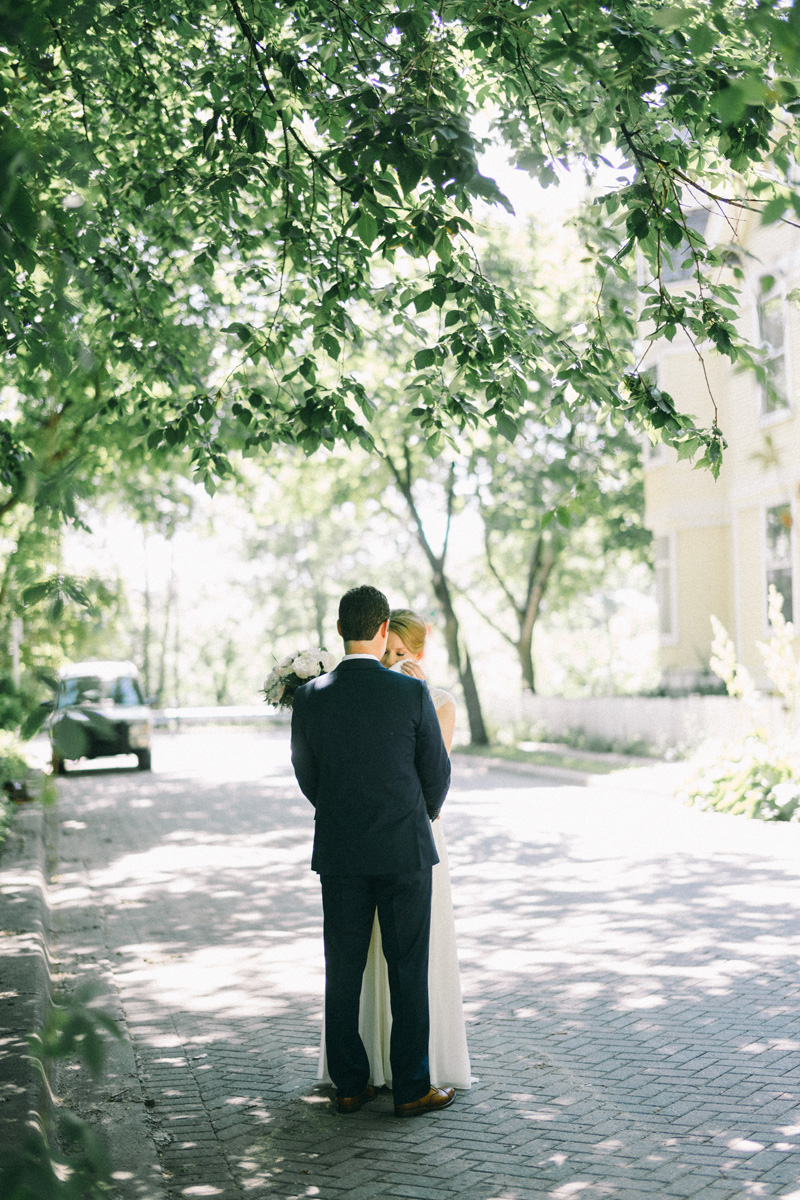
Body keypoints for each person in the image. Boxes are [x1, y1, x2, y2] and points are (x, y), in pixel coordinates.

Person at [291, 586, 456, 1117]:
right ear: (384, 629)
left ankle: (349, 1085)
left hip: (340, 852)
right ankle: (411, 1089)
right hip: (405, 850)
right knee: (408, 969)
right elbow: (437, 775)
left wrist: (342, 813)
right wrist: (411, 816)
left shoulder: (312, 696)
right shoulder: (410, 695)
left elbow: (307, 774)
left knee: (342, 969)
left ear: (340, 630)